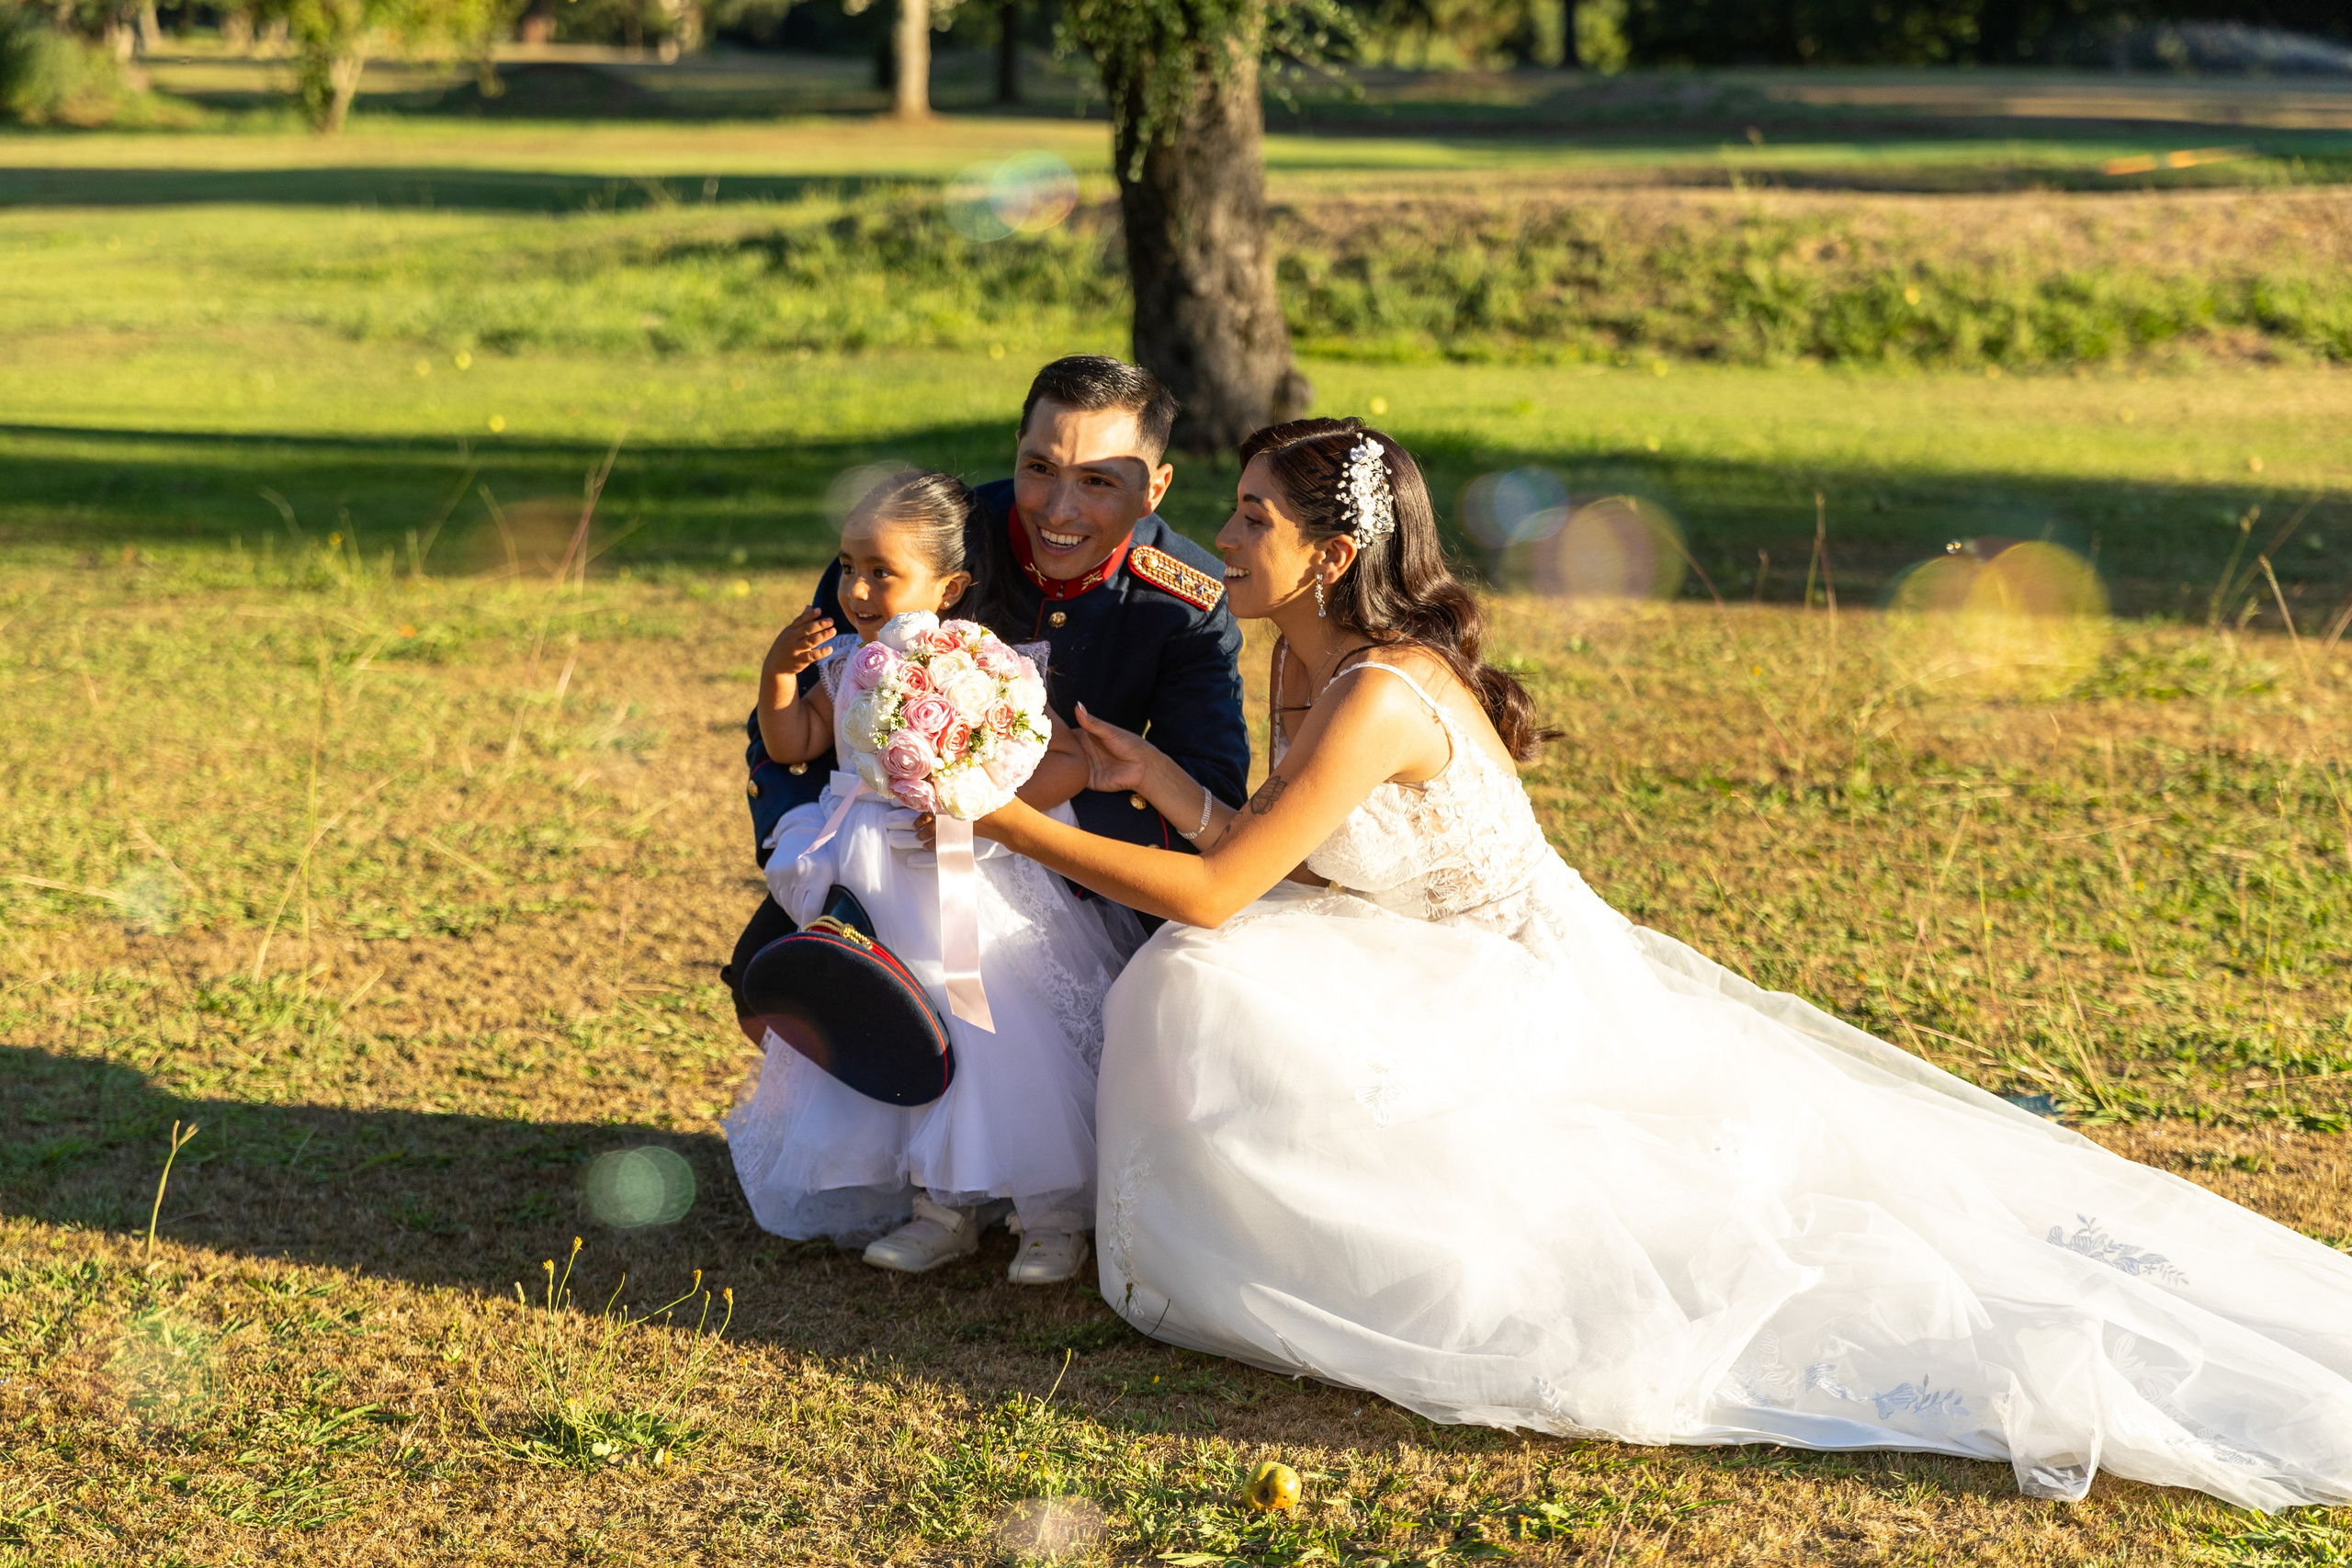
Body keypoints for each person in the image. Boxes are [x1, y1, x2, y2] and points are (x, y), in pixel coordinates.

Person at [949, 417, 2352, 1510]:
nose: (1225, 535)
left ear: (1327, 551)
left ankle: (1354, 1269)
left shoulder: (1378, 687)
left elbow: (1213, 894)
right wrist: (1161, 782)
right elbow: (1275, 847)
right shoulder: (1303, 657)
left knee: (1209, 981)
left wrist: (1006, 815)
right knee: (1218, 987)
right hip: (1415, 948)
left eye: (1253, 516)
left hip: (1521, 984)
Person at [723, 355, 1250, 1010]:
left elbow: (1203, 791)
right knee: (774, 992)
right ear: (1018, 452)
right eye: (1040, 469)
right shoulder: (924, 536)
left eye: (1097, 482)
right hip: (881, 860)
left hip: (1078, 878)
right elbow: (814, 697)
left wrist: (1018, 825)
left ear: (1156, 489)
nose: (1060, 508)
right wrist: (809, 864)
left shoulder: (1183, 600)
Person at [725, 469, 1141, 1284]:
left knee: (997, 1032)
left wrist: (972, 801)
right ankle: (939, 1205)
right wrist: (780, 675)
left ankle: (1051, 1211)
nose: (858, 588)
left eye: (884, 571)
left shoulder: (981, 664)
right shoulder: (841, 661)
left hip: (966, 872)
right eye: (849, 566)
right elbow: (794, 743)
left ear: (948, 587)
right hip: (874, 882)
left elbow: (1054, 758)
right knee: (893, 1022)